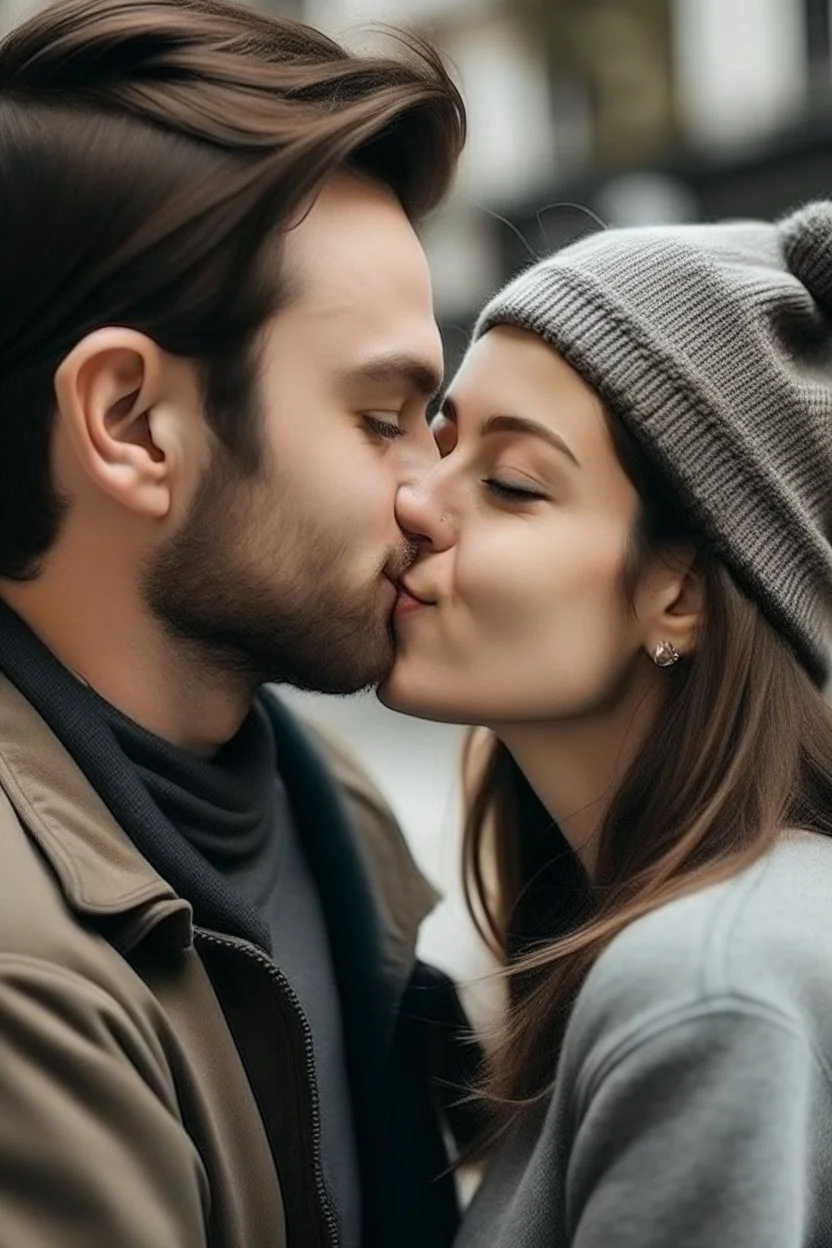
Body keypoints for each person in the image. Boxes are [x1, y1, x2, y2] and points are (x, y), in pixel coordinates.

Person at [0, 1, 468, 1246]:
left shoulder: (324, 800)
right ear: (132, 424)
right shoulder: (22, 978)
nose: (433, 493)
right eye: (383, 417)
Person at [381, 201, 832, 1246]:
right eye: (435, 443)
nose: (415, 503)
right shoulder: (731, 935)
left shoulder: (709, 987)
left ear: (677, 593)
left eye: (509, 484)